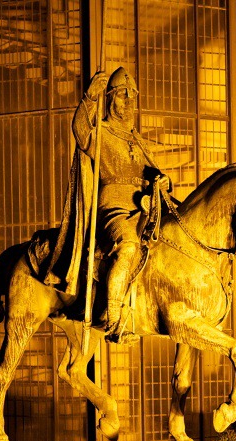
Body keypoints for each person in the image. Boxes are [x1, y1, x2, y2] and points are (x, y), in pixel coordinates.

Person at [69, 67, 170, 343]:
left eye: (132, 97)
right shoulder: (100, 133)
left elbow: (154, 171)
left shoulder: (137, 139)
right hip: (114, 206)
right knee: (127, 248)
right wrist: (90, 97)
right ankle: (114, 321)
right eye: (123, 96)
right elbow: (80, 131)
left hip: (144, 207)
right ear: (111, 98)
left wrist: (163, 181)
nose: (129, 102)